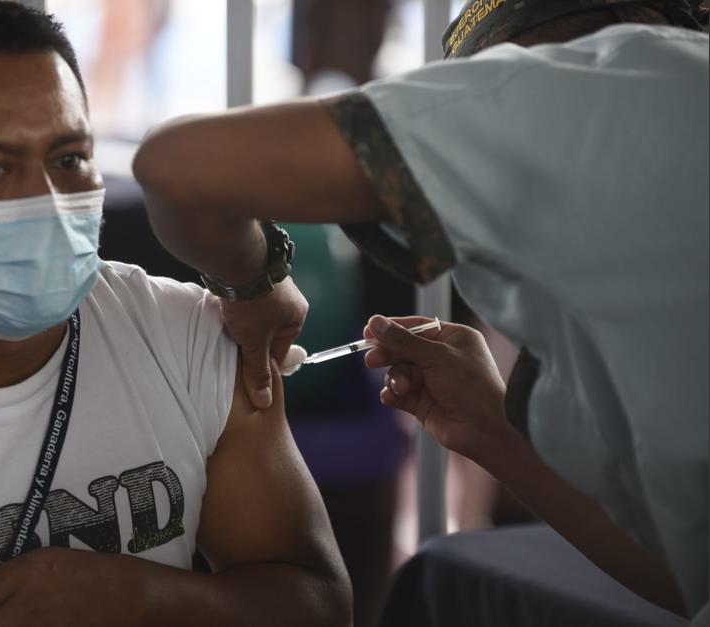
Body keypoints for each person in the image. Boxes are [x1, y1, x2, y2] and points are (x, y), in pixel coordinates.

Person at [0, 2, 351, 626]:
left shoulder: (184, 337)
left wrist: (140, 598)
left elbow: (321, 606)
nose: (46, 201)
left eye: (69, 158)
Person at [132, 0, 709, 620]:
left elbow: (176, 166)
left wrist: (258, 290)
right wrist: (491, 431)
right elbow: (689, 575)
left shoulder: (577, 83)